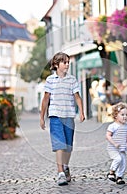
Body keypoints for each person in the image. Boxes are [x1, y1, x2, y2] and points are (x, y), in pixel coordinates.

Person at [40, 52, 85, 186]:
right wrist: (42, 117)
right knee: (59, 144)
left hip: (69, 116)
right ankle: (60, 173)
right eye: (64, 62)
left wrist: (81, 112)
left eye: (68, 63)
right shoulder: (50, 80)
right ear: (56, 64)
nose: (67, 65)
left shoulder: (72, 80)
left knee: (68, 146)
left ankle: (65, 166)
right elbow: (45, 99)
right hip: (55, 116)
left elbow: (77, 97)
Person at [106, 102, 127, 185]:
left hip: (122, 148)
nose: (125, 117)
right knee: (118, 159)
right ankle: (111, 172)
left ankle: (119, 177)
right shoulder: (113, 126)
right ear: (116, 116)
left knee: (123, 163)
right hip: (113, 148)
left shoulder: (126, 126)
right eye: (122, 114)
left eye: (126, 115)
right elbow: (108, 136)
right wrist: (114, 143)